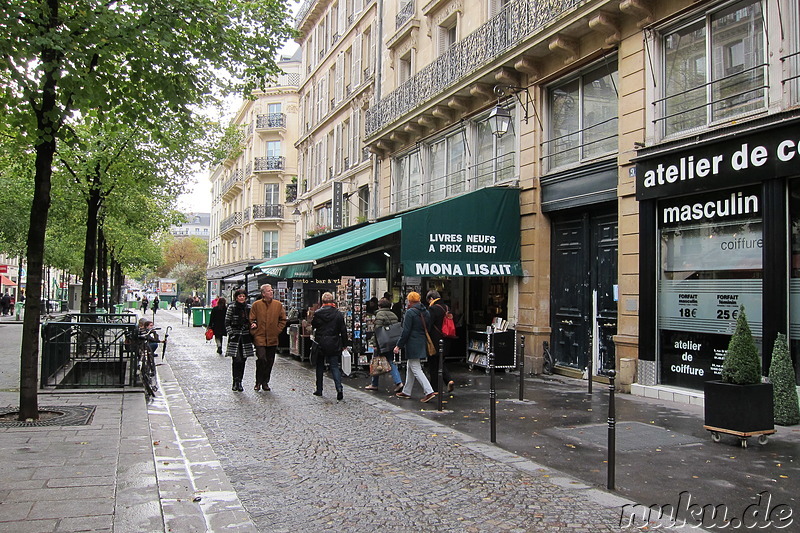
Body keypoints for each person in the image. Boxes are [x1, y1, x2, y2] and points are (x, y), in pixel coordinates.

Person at [394, 292, 437, 403]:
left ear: (410, 301)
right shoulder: (426, 311)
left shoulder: (410, 312)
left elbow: (406, 330)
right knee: (410, 366)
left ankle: (429, 391)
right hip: (421, 341)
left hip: (412, 343)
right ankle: (406, 391)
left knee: (416, 368)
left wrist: (399, 345)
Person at [311, 292, 349, 401]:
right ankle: (339, 388)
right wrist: (344, 344)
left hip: (320, 342)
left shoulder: (318, 313)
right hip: (334, 341)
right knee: (334, 366)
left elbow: (314, 326)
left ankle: (319, 389)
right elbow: (343, 330)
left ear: (322, 301)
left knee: (319, 366)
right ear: (333, 301)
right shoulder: (338, 314)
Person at [249, 284, 287, 391]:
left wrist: (277, 330)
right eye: (269, 291)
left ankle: (265, 382)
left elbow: (283, 319)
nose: (271, 292)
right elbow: (252, 319)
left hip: (272, 337)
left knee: (270, 361)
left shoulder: (278, 305)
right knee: (262, 358)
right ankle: (258, 381)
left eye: (272, 291)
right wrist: (254, 329)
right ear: (263, 293)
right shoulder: (256, 305)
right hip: (260, 337)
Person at [364, 298, 404, 393]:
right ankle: (398, 382)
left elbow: (377, 330)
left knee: (376, 362)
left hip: (381, 342)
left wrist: (374, 343)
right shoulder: (393, 314)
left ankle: (374, 384)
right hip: (391, 341)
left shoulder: (379, 314)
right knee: (391, 361)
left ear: (379, 306)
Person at [426, 290, 455, 393]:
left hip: (435, 340)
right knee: (440, 362)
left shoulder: (433, 309)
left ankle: (435, 388)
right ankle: (448, 380)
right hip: (446, 338)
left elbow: (428, 325)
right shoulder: (447, 308)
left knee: (433, 364)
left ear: (431, 299)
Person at [225, 289, 254, 392]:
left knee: (243, 360)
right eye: (240, 296)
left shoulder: (249, 308)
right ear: (236, 297)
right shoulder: (231, 307)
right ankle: (235, 381)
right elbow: (227, 322)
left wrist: (252, 325)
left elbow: (252, 320)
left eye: (243, 296)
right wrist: (231, 333)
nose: (242, 298)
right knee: (236, 359)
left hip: (245, 337)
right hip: (235, 337)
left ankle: (240, 381)